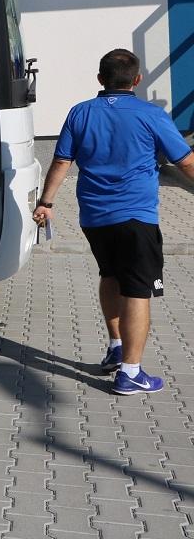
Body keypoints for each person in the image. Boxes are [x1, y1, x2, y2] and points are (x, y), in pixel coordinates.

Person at [33, 48, 194, 396]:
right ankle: (130, 373)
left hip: (94, 216)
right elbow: (185, 161)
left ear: (100, 79)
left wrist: (46, 203)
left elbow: (61, 162)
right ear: (137, 80)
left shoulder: (80, 112)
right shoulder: (151, 114)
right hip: (136, 217)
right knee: (138, 289)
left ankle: (116, 347)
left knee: (110, 275)